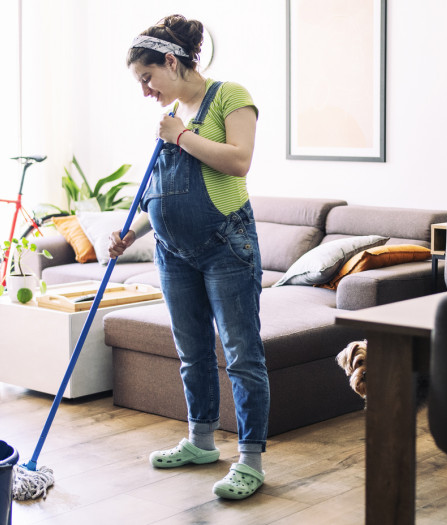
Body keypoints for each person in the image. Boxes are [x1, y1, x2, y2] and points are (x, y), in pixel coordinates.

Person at [114, 14, 268, 500]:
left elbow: (239, 160)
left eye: (147, 78)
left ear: (171, 61)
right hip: (172, 254)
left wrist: (179, 136)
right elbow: (159, 193)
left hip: (226, 247)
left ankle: (250, 461)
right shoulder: (173, 118)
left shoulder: (229, 96)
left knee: (242, 356)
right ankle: (201, 443)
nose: (146, 91)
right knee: (192, 353)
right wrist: (131, 233)